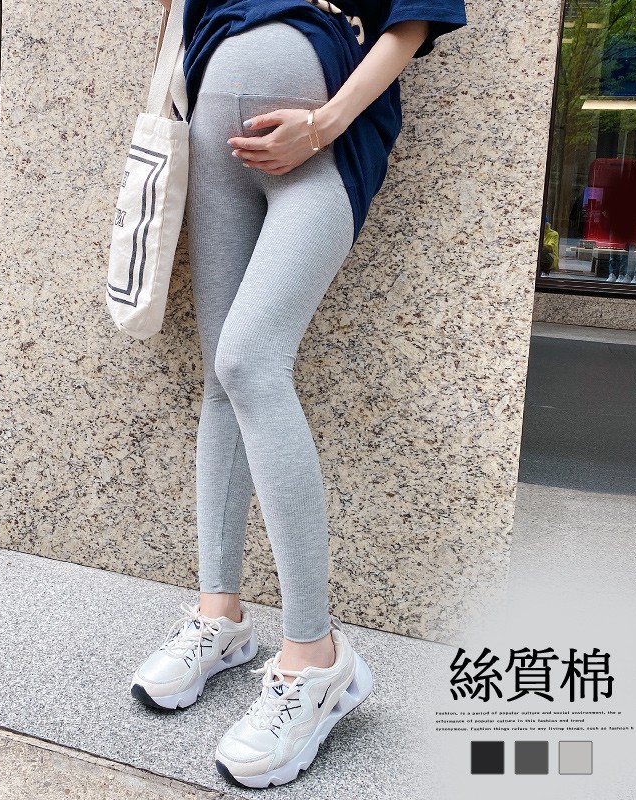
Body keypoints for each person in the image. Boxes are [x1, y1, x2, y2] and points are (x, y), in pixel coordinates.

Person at [130, 0, 468, 788]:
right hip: (213, 149)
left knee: (250, 363)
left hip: (324, 146)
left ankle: (316, 658)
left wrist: (323, 124)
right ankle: (220, 617)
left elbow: (413, 21)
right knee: (223, 379)